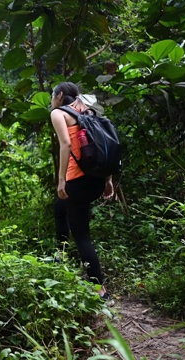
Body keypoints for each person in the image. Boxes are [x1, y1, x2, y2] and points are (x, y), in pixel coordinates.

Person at [50, 82, 115, 304]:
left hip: (76, 181)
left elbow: (65, 144)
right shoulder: (89, 108)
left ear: (59, 95)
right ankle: (59, 255)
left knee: (82, 234)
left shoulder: (59, 113)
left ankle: (100, 290)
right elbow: (104, 141)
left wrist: (61, 180)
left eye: (53, 95)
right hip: (96, 179)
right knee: (60, 208)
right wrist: (108, 180)